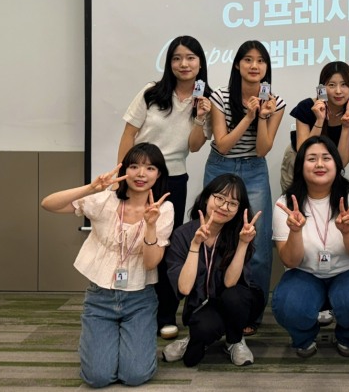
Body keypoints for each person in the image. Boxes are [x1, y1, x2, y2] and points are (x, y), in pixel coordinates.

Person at [40, 143, 173, 388]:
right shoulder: (105, 200)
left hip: (140, 300)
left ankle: (126, 344)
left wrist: (151, 225)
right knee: (97, 377)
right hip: (100, 297)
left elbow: (151, 262)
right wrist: (91, 188)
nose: (141, 174)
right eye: (134, 166)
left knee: (135, 375)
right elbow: (48, 203)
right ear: (124, 170)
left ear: (159, 174)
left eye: (150, 168)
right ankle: (102, 343)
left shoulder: (163, 209)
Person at [118, 35, 212, 339]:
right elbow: (128, 134)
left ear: (200, 63)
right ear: (169, 62)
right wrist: (122, 176)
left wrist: (200, 118)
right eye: (177, 58)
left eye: (190, 58)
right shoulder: (151, 92)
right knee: (131, 238)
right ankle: (127, 306)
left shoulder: (207, 100)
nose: (184, 64)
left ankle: (165, 313)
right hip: (140, 177)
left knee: (165, 246)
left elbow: (194, 147)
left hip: (174, 180)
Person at [193, 40, 286, 335]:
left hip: (254, 169)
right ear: (237, 65)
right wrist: (248, 116)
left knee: (256, 243)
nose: (254, 66)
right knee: (212, 236)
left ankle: (250, 313)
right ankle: (208, 304)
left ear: (267, 67)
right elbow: (222, 144)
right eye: (248, 59)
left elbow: (262, 150)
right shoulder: (220, 97)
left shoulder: (276, 103)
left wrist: (263, 116)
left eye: (260, 61)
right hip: (220, 166)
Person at [272, 136, 349, 358]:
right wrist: (295, 232)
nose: (319, 164)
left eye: (326, 158)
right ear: (300, 166)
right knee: (288, 305)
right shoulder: (286, 203)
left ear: (336, 164)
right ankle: (304, 337)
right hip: (304, 272)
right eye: (312, 159)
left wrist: (348, 232)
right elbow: (290, 261)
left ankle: (348, 336)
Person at [162, 174, 265, 367]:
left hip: (235, 299)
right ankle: (193, 338)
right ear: (206, 197)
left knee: (235, 297)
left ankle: (235, 340)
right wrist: (195, 245)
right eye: (219, 198)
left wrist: (243, 244)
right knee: (193, 357)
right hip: (202, 305)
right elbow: (184, 288)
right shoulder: (183, 234)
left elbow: (230, 283)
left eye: (233, 203)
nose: (224, 207)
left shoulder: (239, 233)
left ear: (239, 209)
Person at [280, 61, 349, 193]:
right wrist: (319, 120)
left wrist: (346, 128)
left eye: (344, 84)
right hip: (297, 162)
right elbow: (303, 152)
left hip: (328, 168)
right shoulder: (306, 107)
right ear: (322, 88)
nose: (338, 91)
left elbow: (342, 162)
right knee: (295, 201)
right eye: (331, 85)